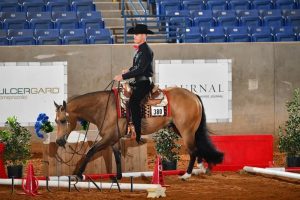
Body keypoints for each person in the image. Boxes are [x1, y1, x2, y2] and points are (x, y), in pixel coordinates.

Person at [114, 24, 154, 144]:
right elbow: (137, 67)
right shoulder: (140, 50)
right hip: (138, 81)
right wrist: (129, 70)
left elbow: (141, 70)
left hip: (144, 83)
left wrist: (123, 76)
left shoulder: (146, 51)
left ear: (143, 36)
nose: (134, 37)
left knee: (134, 102)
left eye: (136, 34)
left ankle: (137, 133)